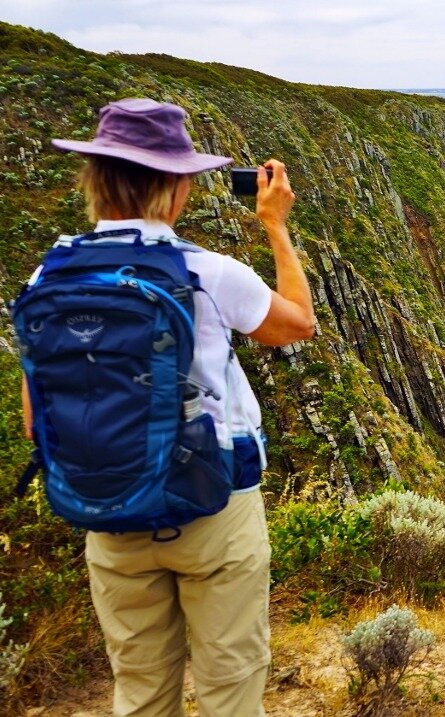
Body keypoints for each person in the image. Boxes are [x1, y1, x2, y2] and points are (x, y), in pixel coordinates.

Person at [24, 97, 315, 716]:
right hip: (213, 504)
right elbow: (298, 324)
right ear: (177, 187)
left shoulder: (48, 279)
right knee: (228, 685)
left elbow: (35, 417)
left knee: (139, 688)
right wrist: (276, 226)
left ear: (94, 179)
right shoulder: (207, 273)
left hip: (105, 508)